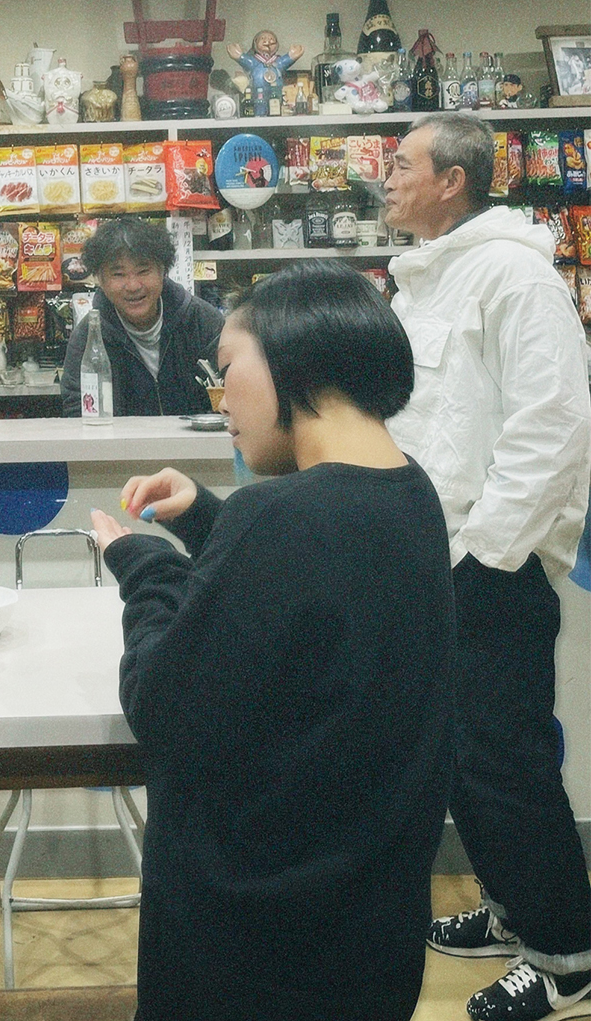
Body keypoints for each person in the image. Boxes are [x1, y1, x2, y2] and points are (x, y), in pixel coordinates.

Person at [89, 259, 455, 1021]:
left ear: (293, 360)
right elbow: (314, 589)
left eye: (227, 370)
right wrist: (205, 517)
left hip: (254, 946)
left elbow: (161, 708)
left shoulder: (281, 517)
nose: (222, 400)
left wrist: (143, 566)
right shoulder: (408, 491)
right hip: (366, 929)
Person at [383, 111, 591, 1021]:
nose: (387, 178)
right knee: (463, 760)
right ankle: (513, 912)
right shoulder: (426, 278)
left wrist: (484, 555)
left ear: (452, 180)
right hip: (435, 560)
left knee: (505, 763)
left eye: (403, 164)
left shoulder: (515, 274)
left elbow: (553, 426)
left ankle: (566, 956)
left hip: (489, 568)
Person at [60, 215, 223, 417]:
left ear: (163, 271)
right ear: (100, 280)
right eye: (118, 274)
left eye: (143, 271)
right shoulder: (88, 337)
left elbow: (233, 393)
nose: (133, 286)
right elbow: (79, 410)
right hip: (120, 439)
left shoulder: (201, 320)